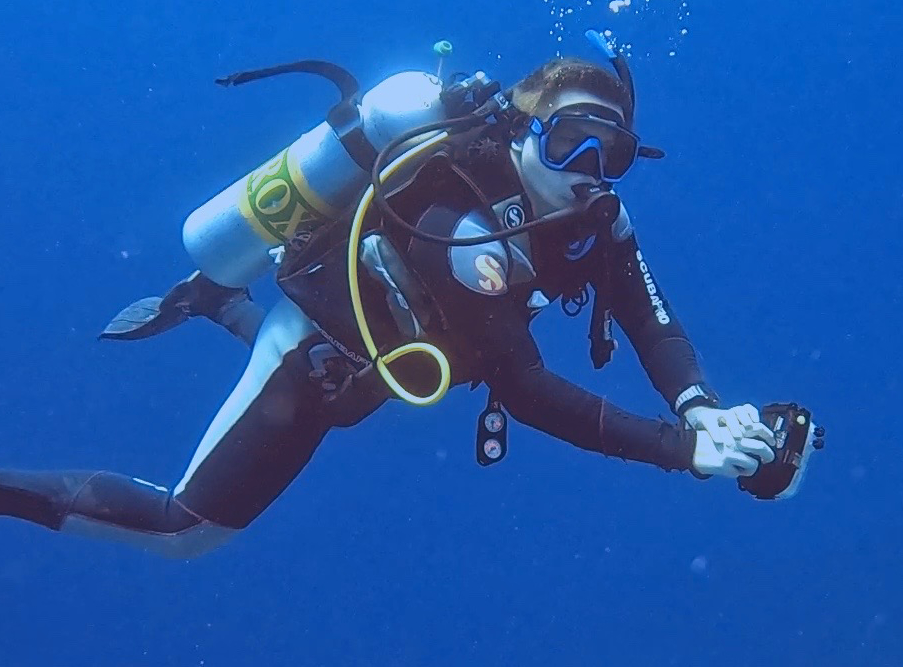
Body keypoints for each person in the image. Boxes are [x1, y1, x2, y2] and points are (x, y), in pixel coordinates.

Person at [0, 36, 820, 558]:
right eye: (571, 142)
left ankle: (213, 301)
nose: (590, 174)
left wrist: (697, 403)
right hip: (318, 350)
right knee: (186, 532)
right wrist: (679, 451)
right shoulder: (459, 213)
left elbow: (648, 315)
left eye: (614, 153)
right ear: (524, 132)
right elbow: (524, 387)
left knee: (340, 395)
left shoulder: (595, 216)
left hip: (380, 363)